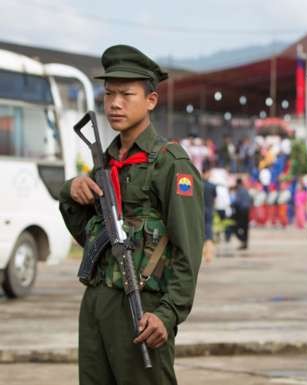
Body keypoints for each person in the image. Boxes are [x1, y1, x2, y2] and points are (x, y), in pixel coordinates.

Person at [58, 45, 203, 385]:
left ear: (150, 100)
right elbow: (89, 234)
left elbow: (187, 251)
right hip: (96, 303)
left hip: (142, 308)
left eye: (126, 94)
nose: (115, 104)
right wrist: (72, 190)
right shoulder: (104, 164)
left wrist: (167, 314)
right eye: (109, 94)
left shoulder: (170, 164)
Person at [202, 160, 217, 263]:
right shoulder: (213, 186)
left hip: (200, 210)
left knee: (201, 233)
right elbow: (215, 197)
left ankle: (203, 254)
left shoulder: (198, 184)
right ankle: (209, 255)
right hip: (209, 209)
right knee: (209, 233)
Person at [231, 178, 252, 250]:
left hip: (241, 211)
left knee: (236, 227)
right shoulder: (246, 190)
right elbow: (250, 200)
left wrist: (231, 205)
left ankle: (243, 240)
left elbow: (237, 202)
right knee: (245, 228)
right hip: (247, 211)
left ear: (237, 183)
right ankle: (245, 243)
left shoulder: (239, 191)